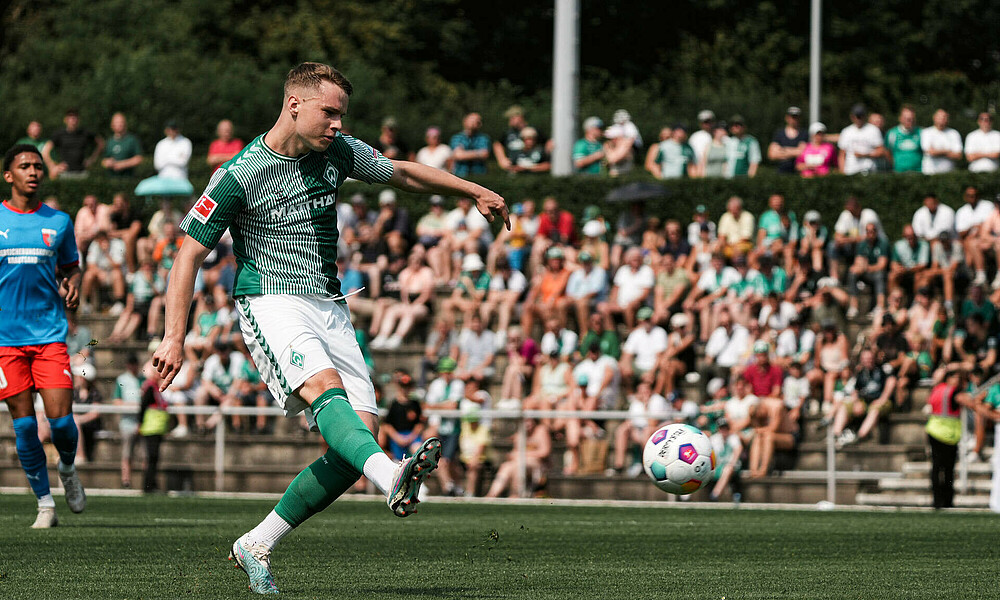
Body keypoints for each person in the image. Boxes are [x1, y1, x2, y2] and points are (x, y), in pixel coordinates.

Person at [151, 62, 509, 594]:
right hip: (270, 300)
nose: (338, 124)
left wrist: (471, 188)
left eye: (342, 113)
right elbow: (187, 257)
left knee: (353, 442)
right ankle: (392, 477)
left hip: (329, 304)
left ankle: (257, 543)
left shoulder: (336, 152)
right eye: (330, 112)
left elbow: (402, 172)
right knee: (329, 395)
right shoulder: (238, 173)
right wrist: (174, 336)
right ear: (294, 105)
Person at [0, 144, 85, 528]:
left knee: (62, 423)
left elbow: (71, 267)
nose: (33, 171)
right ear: (9, 176)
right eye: (24, 166)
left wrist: (73, 285)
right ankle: (45, 503)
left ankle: (67, 467)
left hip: (49, 335)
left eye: (37, 166)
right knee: (24, 426)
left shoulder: (60, 221)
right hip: (6, 341)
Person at [925, 369, 968, 509]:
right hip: (946, 435)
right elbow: (966, 401)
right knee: (946, 469)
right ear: (949, 378)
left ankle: (938, 500)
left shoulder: (937, 389)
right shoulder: (953, 392)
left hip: (934, 431)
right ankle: (946, 500)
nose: (957, 381)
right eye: (955, 377)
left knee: (938, 468)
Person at [42, 108, 104, 178]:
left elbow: (101, 143)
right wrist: (53, 166)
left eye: (75, 118)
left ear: (78, 119)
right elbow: (45, 152)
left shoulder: (85, 133)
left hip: (82, 173)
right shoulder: (59, 134)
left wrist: (92, 160)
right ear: (65, 120)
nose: (73, 120)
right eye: (70, 118)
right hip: (65, 173)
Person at [838, 104, 885, 175]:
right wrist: (842, 172)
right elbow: (842, 155)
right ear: (852, 117)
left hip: (869, 170)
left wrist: (865, 155)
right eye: (857, 116)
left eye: (861, 116)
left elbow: (881, 151)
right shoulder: (846, 132)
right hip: (850, 171)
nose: (858, 119)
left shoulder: (873, 130)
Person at [920, 109, 963, 175]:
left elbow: (958, 155)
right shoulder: (926, 132)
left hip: (949, 173)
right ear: (934, 118)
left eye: (944, 117)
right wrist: (948, 151)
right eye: (940, 117)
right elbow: (931, 152)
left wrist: (938, 151)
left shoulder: (954, 133)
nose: (942, 119)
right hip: (930, 173)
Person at [101, 113, 144, 177]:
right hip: (111, 179)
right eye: (117, 122)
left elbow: (139, 158)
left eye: (121, 122)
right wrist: (107, 163)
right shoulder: (109, 141)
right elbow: (103, 160)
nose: (119, 124)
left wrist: (122, 164)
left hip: (128, 179)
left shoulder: (132, 140)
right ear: (112, 125)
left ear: (125, 124)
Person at [767, 106, 807, 175]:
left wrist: (783, 150)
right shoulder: (779, 134)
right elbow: (772, 155)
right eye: (792, 117)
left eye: (796, 117)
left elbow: (802, 153)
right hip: (781, 172)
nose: (794, 119)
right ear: (787, 118)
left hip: (798, 173)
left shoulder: (804, 134)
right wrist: (794, 151)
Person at [450, 112, 490, 176]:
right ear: (465, 121)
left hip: (479, 175)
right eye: (472, 120)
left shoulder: (483, 138)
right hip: (460, 175)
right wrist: (478, 153)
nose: (475, 122)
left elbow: (484, 154)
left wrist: (464, 153)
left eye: (477, 121)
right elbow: (458, 155)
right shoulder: (457, 137)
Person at [885, 105, 922, 173]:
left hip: (918, 172)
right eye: (906, 118)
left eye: (911, 118)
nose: (909, 121)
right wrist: (895, 164)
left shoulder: (921, 132)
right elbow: (887, 151)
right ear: (900, 118)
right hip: (899, 172)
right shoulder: (892, 133)